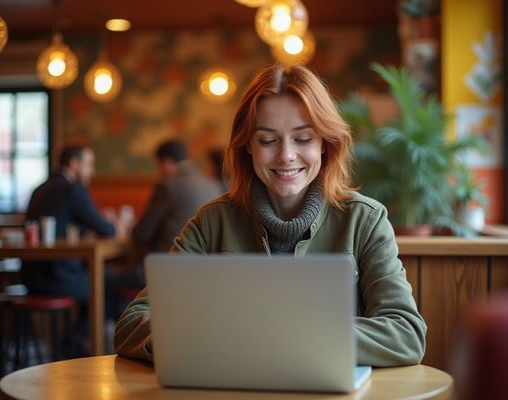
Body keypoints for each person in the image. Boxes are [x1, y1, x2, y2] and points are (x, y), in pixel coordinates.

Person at [114, 64, 427, 367]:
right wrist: (208, 341)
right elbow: (133, 322)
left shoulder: (365, 220)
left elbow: (406, 333)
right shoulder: (212, 222)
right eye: (267, 140)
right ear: (247, 145)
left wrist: (287, 339)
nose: (286, 155)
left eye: (303, 138)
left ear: (324, 145)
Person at [22, 143, 129, 347]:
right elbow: (107, 230)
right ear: (74, 163)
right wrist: (116, 223)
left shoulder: (39, 189)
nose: (92, 172)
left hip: (30, 277)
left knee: (104, 278)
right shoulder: (72, 189)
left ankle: (75, 340)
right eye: (89, 165)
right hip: (58, 277)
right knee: (111, 283)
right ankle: (76, 340)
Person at [131, 140, 223, 255]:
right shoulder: (213, 185)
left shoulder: (168, 187)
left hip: (168, 264)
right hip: (206, 265)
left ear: (166, 163)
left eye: (158, 166)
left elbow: (141, 234)